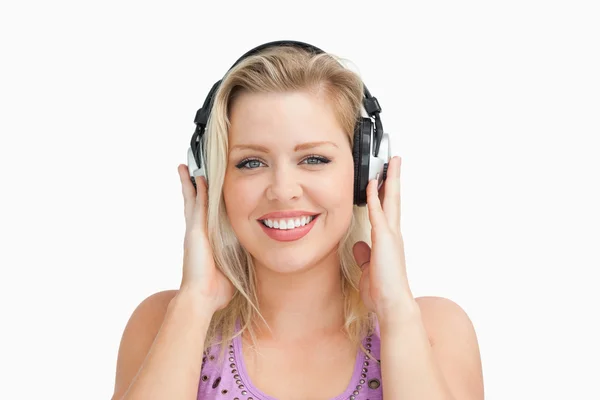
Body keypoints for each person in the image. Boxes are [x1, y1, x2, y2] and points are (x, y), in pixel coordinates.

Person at [111, 41, 484, 400]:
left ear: (366, 173)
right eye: (251, 163)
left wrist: (396, 310)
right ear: (212, 180)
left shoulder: (436, 330)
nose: (283, 190)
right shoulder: (164, 324)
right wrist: (194, 302)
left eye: (314, 159)